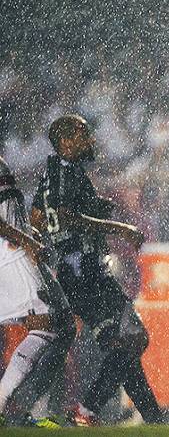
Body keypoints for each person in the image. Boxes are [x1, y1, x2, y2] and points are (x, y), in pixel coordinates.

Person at [31, 115, 162, 426]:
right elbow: (65, 215)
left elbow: (37, 217)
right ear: (65, 142)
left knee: (123, 348)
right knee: (134, 337)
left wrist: (55, 247)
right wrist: (119, 229)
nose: (89, 140)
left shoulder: (51, 174)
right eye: (82, 134)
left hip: (74, 272)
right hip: (86, 272)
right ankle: (87, 410)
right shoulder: (65, 169)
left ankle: (157, 421)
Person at [0, 156, 74, 428]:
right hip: (12, 254)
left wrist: (27, 231)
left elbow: (9, 210)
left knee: (64, 324)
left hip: (19, 248)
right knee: (44, 325)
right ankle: (6, 403)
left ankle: (25, 410)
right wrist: (25, 239)